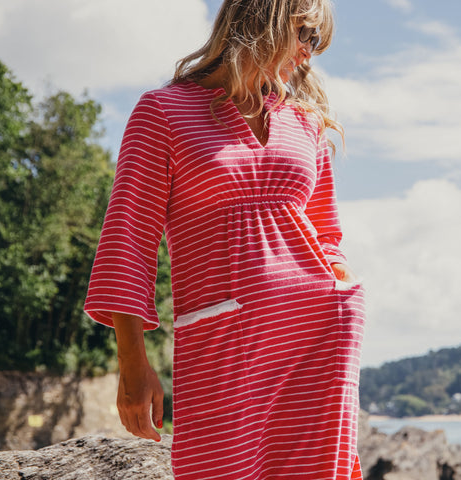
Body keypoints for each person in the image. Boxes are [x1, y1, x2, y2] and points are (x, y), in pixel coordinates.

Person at [84, 1, 365, 478]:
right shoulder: (164, 111)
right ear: (267, 20)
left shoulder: (304, 121)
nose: (309, 55)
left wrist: (338, 281)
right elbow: (127, 239)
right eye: (306, 36)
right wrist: (133, 364)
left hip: (320, 333)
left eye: (316, 43)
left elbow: (327, 233)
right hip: (226, 343)